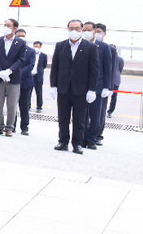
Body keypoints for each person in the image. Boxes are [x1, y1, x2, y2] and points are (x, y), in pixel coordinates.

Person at [50, 19, 99, 154]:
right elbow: (55, 67)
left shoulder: (91, 48)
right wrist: (53, 85)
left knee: (79, 119)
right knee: (63, 117)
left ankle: (77, 143)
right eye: (71, 28)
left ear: (81, 30)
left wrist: (92, 89)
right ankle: (63, 141)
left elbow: (94, 70)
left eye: (77, 28)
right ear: (67, 29)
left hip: (81, 89)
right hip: (64, 88)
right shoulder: (60, 46)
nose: (74, 31)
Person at [0, 18, 26, 137]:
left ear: (14, 29)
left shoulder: (21, 43)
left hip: (14, 79)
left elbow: (21, 60)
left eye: (8, 25)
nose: (5, 27)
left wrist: (9, 71)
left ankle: (9, 128)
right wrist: (0, 71)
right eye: (4, 24)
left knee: (12, 105)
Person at [82, 22, 113, 149]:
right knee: (82, 115)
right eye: (84, 30)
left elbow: (108, 67)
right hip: (82, 85)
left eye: (89, 30)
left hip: (98, 86)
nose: (86, 32)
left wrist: (107, 86)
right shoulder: (80, 44)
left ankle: (92, 138)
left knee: (95, 115)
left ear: (94, 31)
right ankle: (82, 137)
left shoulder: (104, 47)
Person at [16, 28, 35, 135]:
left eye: (22, 35)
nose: (21, 37)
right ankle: (11, 125)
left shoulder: (31, 51)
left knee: (24, 105)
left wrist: (17, 73)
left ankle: (24, 127)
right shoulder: (12, 50)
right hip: (13, 82)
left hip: (25, 82)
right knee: (12, 105)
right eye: (18, 36)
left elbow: (30, 66)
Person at [107, 44, 124, 116]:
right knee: (113, 96)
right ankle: (109, 111)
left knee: (114, 96)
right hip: (111, 79)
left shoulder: (119, 59)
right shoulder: (108, 57)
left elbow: (120, 69)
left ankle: (110, 111)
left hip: (115, 79)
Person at [32, 40, 48, 112]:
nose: (36, 48)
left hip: (38, 76)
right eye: (35, 46)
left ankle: (39, 106)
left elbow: (44, 65)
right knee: (28, 92)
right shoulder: (30, 54)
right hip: (30, 75)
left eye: (38, 46)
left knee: (39, 92)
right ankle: (28, 105)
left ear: (40, 47)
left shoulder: (43, 56)